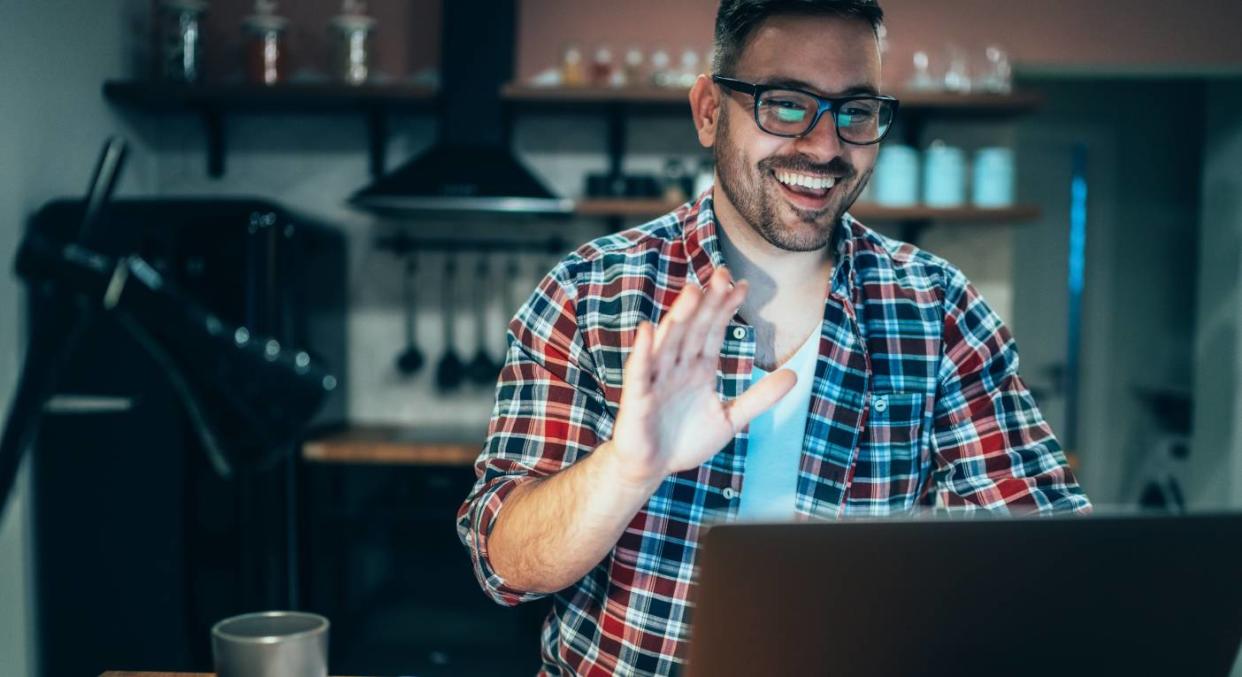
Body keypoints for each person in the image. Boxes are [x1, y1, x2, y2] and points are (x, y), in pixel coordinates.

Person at [457, 0, 1091, 673]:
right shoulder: (588, 292)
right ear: (708, 110)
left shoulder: (936, 309)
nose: (824, 146)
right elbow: (505, 563)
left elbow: (1052, 562)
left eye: (856, 111)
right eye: (785, 104)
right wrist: (627, 467)